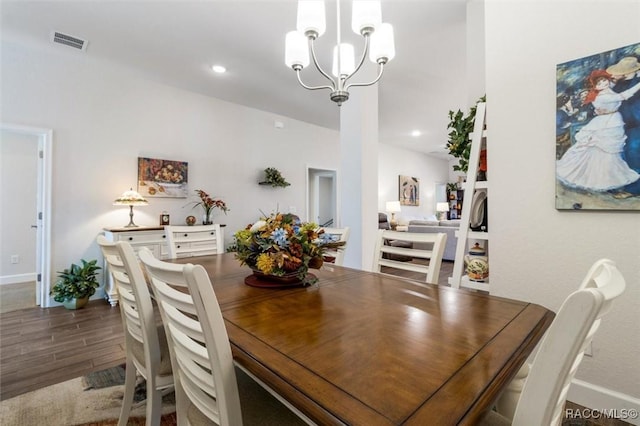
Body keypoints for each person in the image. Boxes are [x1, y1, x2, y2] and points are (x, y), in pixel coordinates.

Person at [556, 69, 640, 193]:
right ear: (595, 87)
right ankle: (602, 179)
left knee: (610, 152)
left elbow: (614, 81)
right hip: (606, 124)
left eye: (604, 80)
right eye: (599, 83)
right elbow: (624, 95)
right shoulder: (601, 96)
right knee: (602, 151)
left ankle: (610, 177)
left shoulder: (607, 89)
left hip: (613, 121)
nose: (604, 84)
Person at [607, 56, 640, 196]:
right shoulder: (618, 85)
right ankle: (618, 183)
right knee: (618, 153)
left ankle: (633, 189)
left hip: (636, 124)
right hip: (620, 124)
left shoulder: (637, 82)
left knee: (633, 152)